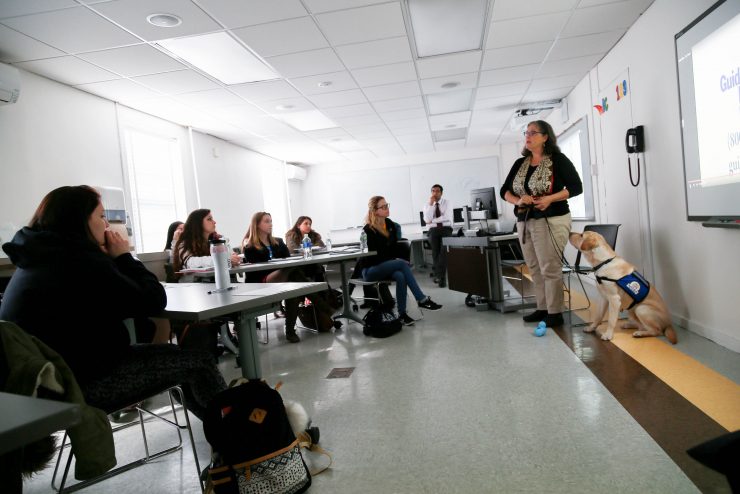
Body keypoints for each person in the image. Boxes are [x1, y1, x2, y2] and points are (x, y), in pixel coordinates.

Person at [0, 185, 226, 420]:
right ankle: (240, 437)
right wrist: (123, 255)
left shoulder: (39, 258)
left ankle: (222, 433)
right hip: (85, 384)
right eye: (100, 216)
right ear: (79, 220)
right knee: (199, 362)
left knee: (178, 360)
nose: (107, 224)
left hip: (43, 385)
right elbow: (153, 299)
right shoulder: (79, 261)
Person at [500, 120, 583, 327]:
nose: (528, 136)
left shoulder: (558, 159)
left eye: (533, 133)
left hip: (551, 219)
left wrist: (549, 198)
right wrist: (518, 200)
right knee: (534, 267)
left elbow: (576, 187)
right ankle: (542, 307)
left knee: (549, 267)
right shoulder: (521, 163)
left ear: (545, 137)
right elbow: (504, 191)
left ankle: (555, 312)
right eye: (526, 132)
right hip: (525, 219)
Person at [242, 212, 334, 343]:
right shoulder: (250, 245)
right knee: (293, 272)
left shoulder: (277, 241)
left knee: (294, 285)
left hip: (284, 277)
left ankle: (291, 331)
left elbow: (287, 258)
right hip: (262, 281)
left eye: (271, 221)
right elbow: (257, 264)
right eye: (266, 221)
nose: (270, 224)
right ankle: (322, 307)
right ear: (256, 224)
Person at [360, 196, 442, 325]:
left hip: (386, 266)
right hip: (371, 269)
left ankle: (402, 314)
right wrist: (394, 260)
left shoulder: (390, 224)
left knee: (400, 275)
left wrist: (393, 260)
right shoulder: (368, 230)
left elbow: (393, 249)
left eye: (387, 205)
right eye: (383, 207)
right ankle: (421, 299)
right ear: (375, 211)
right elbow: (372, 256)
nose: (387, 208)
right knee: (401, 264)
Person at [173, 209, 240, 276]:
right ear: (197, 223)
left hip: (218, 279)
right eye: (209, 219)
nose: (214, 222)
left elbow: (231, 255)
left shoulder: (218, 239)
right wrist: (223, 260)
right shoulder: (185, 243)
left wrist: (234, 259)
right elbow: (191, 263)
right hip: (195, 283)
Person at [422, 184, 452, 287]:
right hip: (433, 230)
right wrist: (431, 204)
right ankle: (440, 278)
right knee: (435, 253)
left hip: (446, 229)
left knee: (443, 252)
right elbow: (426, 219)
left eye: (437, 191)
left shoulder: (447, 202)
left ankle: (440, 276)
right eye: (433, 191)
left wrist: (432, 221)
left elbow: (446, 217)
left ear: (441, 193)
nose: (435, 193)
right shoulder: (427, 205)